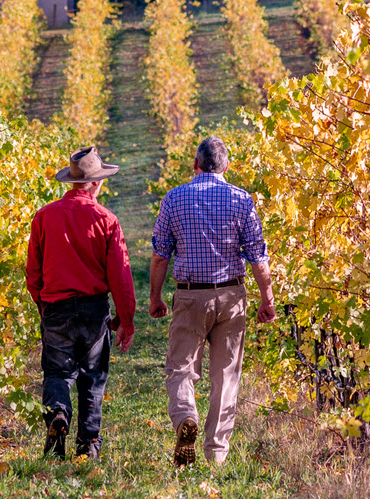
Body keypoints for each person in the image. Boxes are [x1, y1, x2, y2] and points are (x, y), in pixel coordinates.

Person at [149, 136, 276, 466]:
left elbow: (161, 256)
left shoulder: (174, 199)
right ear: (227, 166)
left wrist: (155, 297)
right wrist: (267, 299)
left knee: (181, 368)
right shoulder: (241, 199)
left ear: (195, 164)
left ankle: (185, 419)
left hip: (191, 294)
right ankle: (216, 453)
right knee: (226, 374)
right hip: (231, 295)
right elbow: (258, 257)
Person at [26, 146, 136, 460]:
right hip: (93, 309)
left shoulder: (45, 216)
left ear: (73, 182)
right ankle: (87, 446)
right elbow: (121, 275)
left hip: (57, 306)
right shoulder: (107, 219)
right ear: (97, 183)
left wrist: (42, 303)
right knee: (92, 377)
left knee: (57, 374)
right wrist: (125, 320)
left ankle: (58, 414)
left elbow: (34, 270)